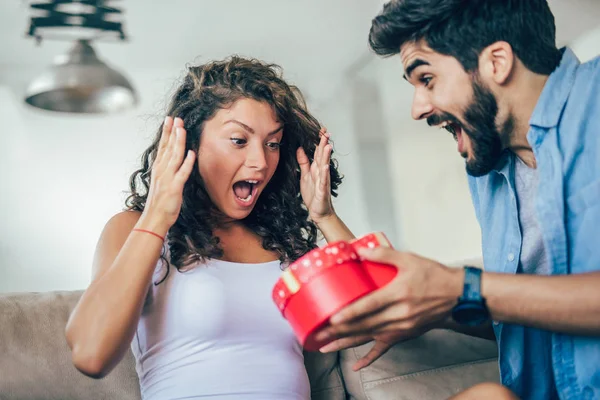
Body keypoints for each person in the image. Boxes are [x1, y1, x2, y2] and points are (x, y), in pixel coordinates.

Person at [317, 1, 600, 399]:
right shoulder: (489, 174)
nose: (418, 109)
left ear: (497, 62)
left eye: (427, 79)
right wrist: (438, 308)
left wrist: (459, 288)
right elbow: (528, 316)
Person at [65, 56, 355, 400]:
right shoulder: (134, 228)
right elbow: (90, 354)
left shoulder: (286, 245)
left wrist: (325, 216)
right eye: (238, 140)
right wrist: (158, 214)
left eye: (272, 143)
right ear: (190, 144)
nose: (260, 162)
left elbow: (386, 311)